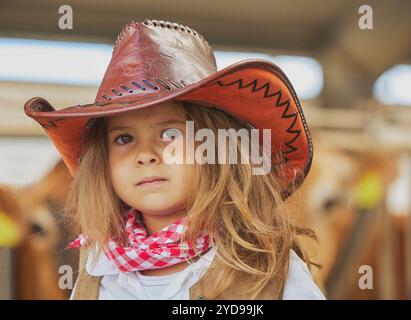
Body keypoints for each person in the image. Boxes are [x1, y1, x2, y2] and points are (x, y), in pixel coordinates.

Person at [24, 19, 325, 300]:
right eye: (124, 139)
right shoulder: (97, 269)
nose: (145, 155)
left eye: (169, 134)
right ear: (104, 163)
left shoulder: (269, 270)